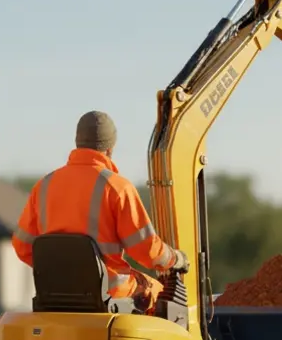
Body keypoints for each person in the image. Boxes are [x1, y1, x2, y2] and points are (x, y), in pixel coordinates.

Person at [12, 111, 188, 313]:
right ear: (110, 148)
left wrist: (63, 274)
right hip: (109, 292)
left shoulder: (44, 185)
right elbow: (146, 249)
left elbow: (22, 246)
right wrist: (175, 259)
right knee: (157, 291)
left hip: (55, 293)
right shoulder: (117, 188)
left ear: (77, 142)